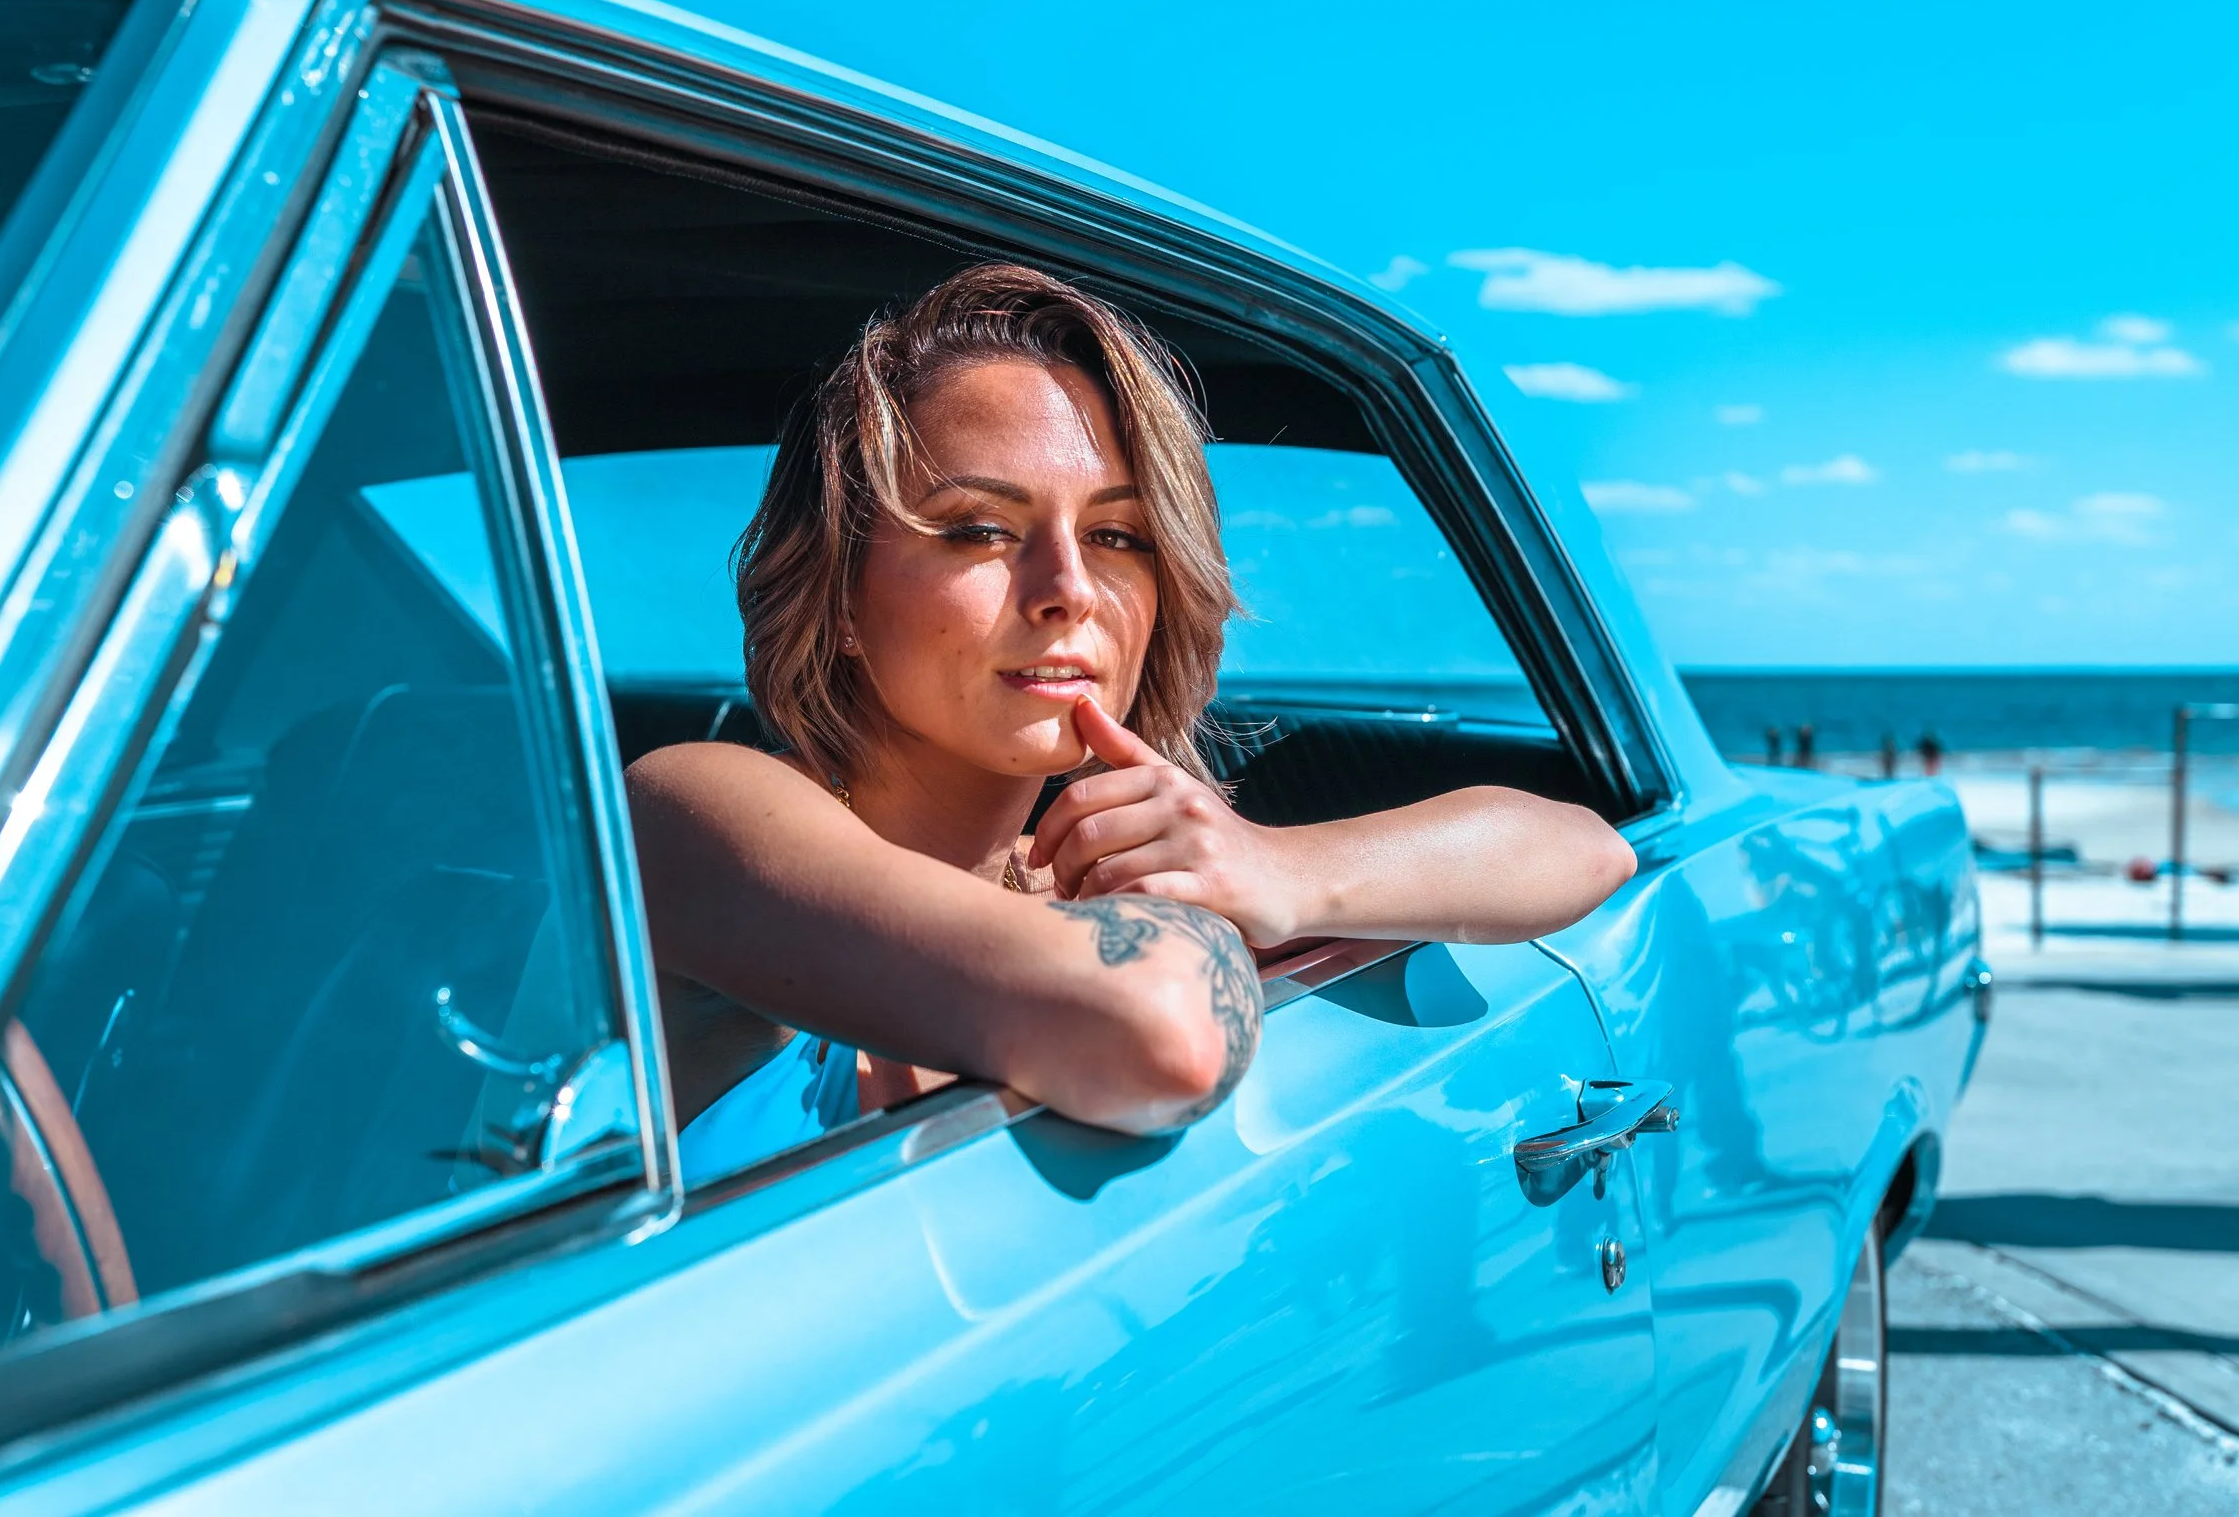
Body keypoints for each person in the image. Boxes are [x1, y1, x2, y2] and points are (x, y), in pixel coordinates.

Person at [626, 264, 1637, 1180]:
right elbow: (1164, 1030)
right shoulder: (697, 809)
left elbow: (1584, 849)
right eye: (981, 529)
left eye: (1117, 535)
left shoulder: (1049, 871)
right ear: (842, 596)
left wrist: (1278, 869)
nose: (1067, 588)